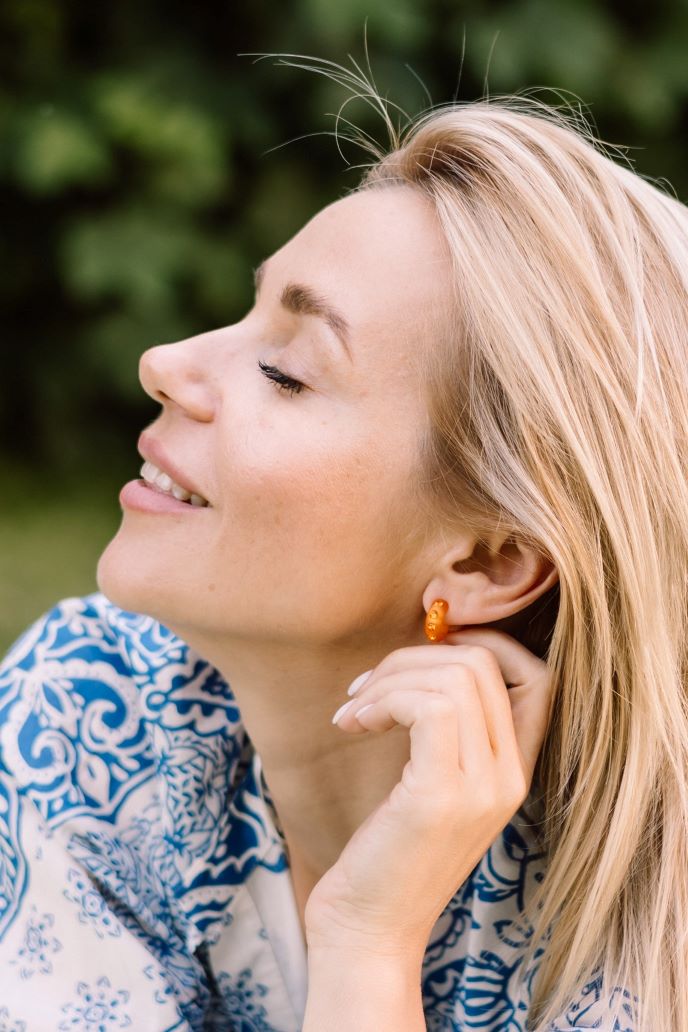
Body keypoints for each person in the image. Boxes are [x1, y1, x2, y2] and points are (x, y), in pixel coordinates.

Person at [1, 76, 686, 1032]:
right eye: (249, 317)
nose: (165, 362)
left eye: (286, 372)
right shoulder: (87, 712)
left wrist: (370, 941)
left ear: (487, 565)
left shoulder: (648, 920)